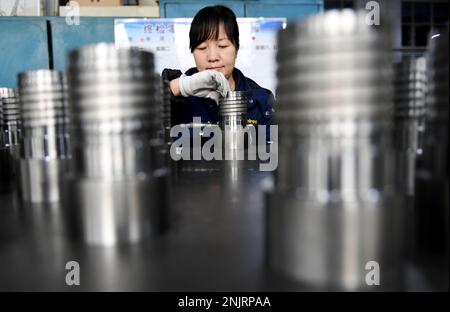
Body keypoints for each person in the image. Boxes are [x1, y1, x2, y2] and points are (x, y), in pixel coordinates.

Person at [162, 5, 275, 133]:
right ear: (192, 51)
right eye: (202, 48)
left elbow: (273, 150)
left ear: (236, 49)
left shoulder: (261, 101)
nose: (213, 57)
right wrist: (180, 86)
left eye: (222, 46)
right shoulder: (179, 94)